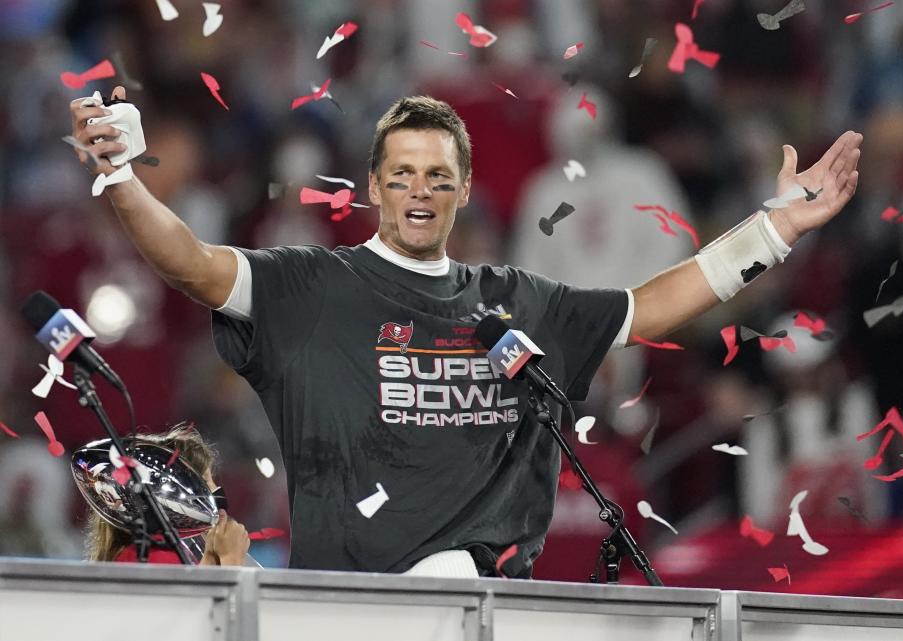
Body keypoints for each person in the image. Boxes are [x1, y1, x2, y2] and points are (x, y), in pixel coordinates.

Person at [68, 86, 861, 578]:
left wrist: (775, 228)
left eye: (439, 176)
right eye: (404, 174)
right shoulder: (311, 286)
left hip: (479, 606)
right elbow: (192, 263)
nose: (421, 191)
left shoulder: (517, 299)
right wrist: (121, 177)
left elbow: (650, 304)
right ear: (375, 184)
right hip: (350, 612)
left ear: (465, 189)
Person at [84, 423, 250, 566]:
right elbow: (197, 603)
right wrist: (231, 559)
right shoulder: (153, 557)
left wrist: (214, 557)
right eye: (205, 483)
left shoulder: (169, 552)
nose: (215, 491)